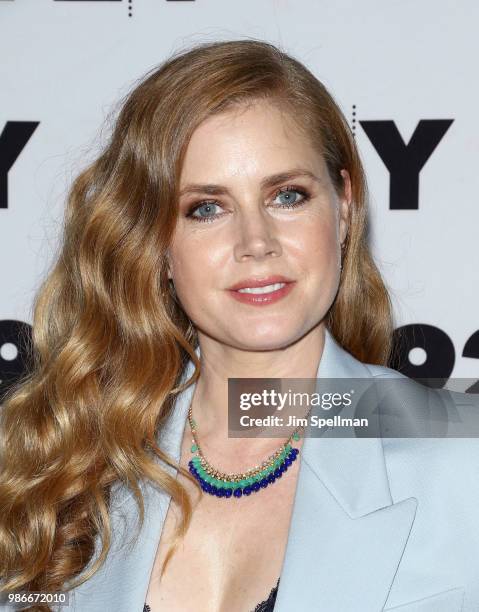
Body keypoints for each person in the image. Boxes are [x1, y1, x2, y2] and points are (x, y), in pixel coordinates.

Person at [0, 39, 478, 612]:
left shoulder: (460, 467)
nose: (257, 243)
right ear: (153, 242)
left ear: (345, 207)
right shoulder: (62, 468)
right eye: (207, 207)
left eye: (287, 196)